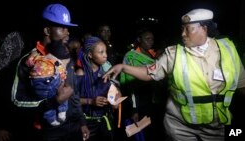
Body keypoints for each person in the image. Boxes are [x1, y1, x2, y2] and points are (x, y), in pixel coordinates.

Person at [103, 8, 245, 141]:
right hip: (180, 127)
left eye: (188, 29)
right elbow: (149, 72)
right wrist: (122, 67)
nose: (183, 34)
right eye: (182, 29)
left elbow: (241, 85)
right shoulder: (173, 53)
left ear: (204, 28)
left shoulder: (228, 50)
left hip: (216, 127)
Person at [11, 3, 89, 141]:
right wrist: (55, 101)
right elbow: (16, 101)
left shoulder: (66, 58)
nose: (68, 32)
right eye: (63, 28)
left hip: (74, 128)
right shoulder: (29, 61)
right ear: (47, 30)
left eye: (68, 28)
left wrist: (82, 122)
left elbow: (73, 93)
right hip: (49, 133)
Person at [120, 28, 163, 141]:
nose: (151, 41)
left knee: (154, 132)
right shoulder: (131, 56)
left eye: (152, 39)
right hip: (140, 101)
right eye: (147, 39)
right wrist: (135, 109)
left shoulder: (153, 55)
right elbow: (130, 85)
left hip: (154, 100)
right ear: (139, 40)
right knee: (142, 133)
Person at [76, 36, 121, 141]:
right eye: (101, 52)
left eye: (105, 51)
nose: (105, 55)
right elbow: (71, 101)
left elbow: (116, 101)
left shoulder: (108, 72)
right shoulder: (80, 73)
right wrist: (91, 101)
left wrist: (115, 99)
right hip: (87, 124)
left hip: (106, 122)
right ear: (90, 55)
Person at [26, 41, 70, 126]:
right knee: (64, 93)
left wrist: (33, 53)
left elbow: (28, 62)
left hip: (36, 87)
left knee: (46, 101)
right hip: (49, 84)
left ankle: (51, 119)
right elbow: (62, 75)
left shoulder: (39, 58)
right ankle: (62, 111)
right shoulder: (57, 63)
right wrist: (63, 80)